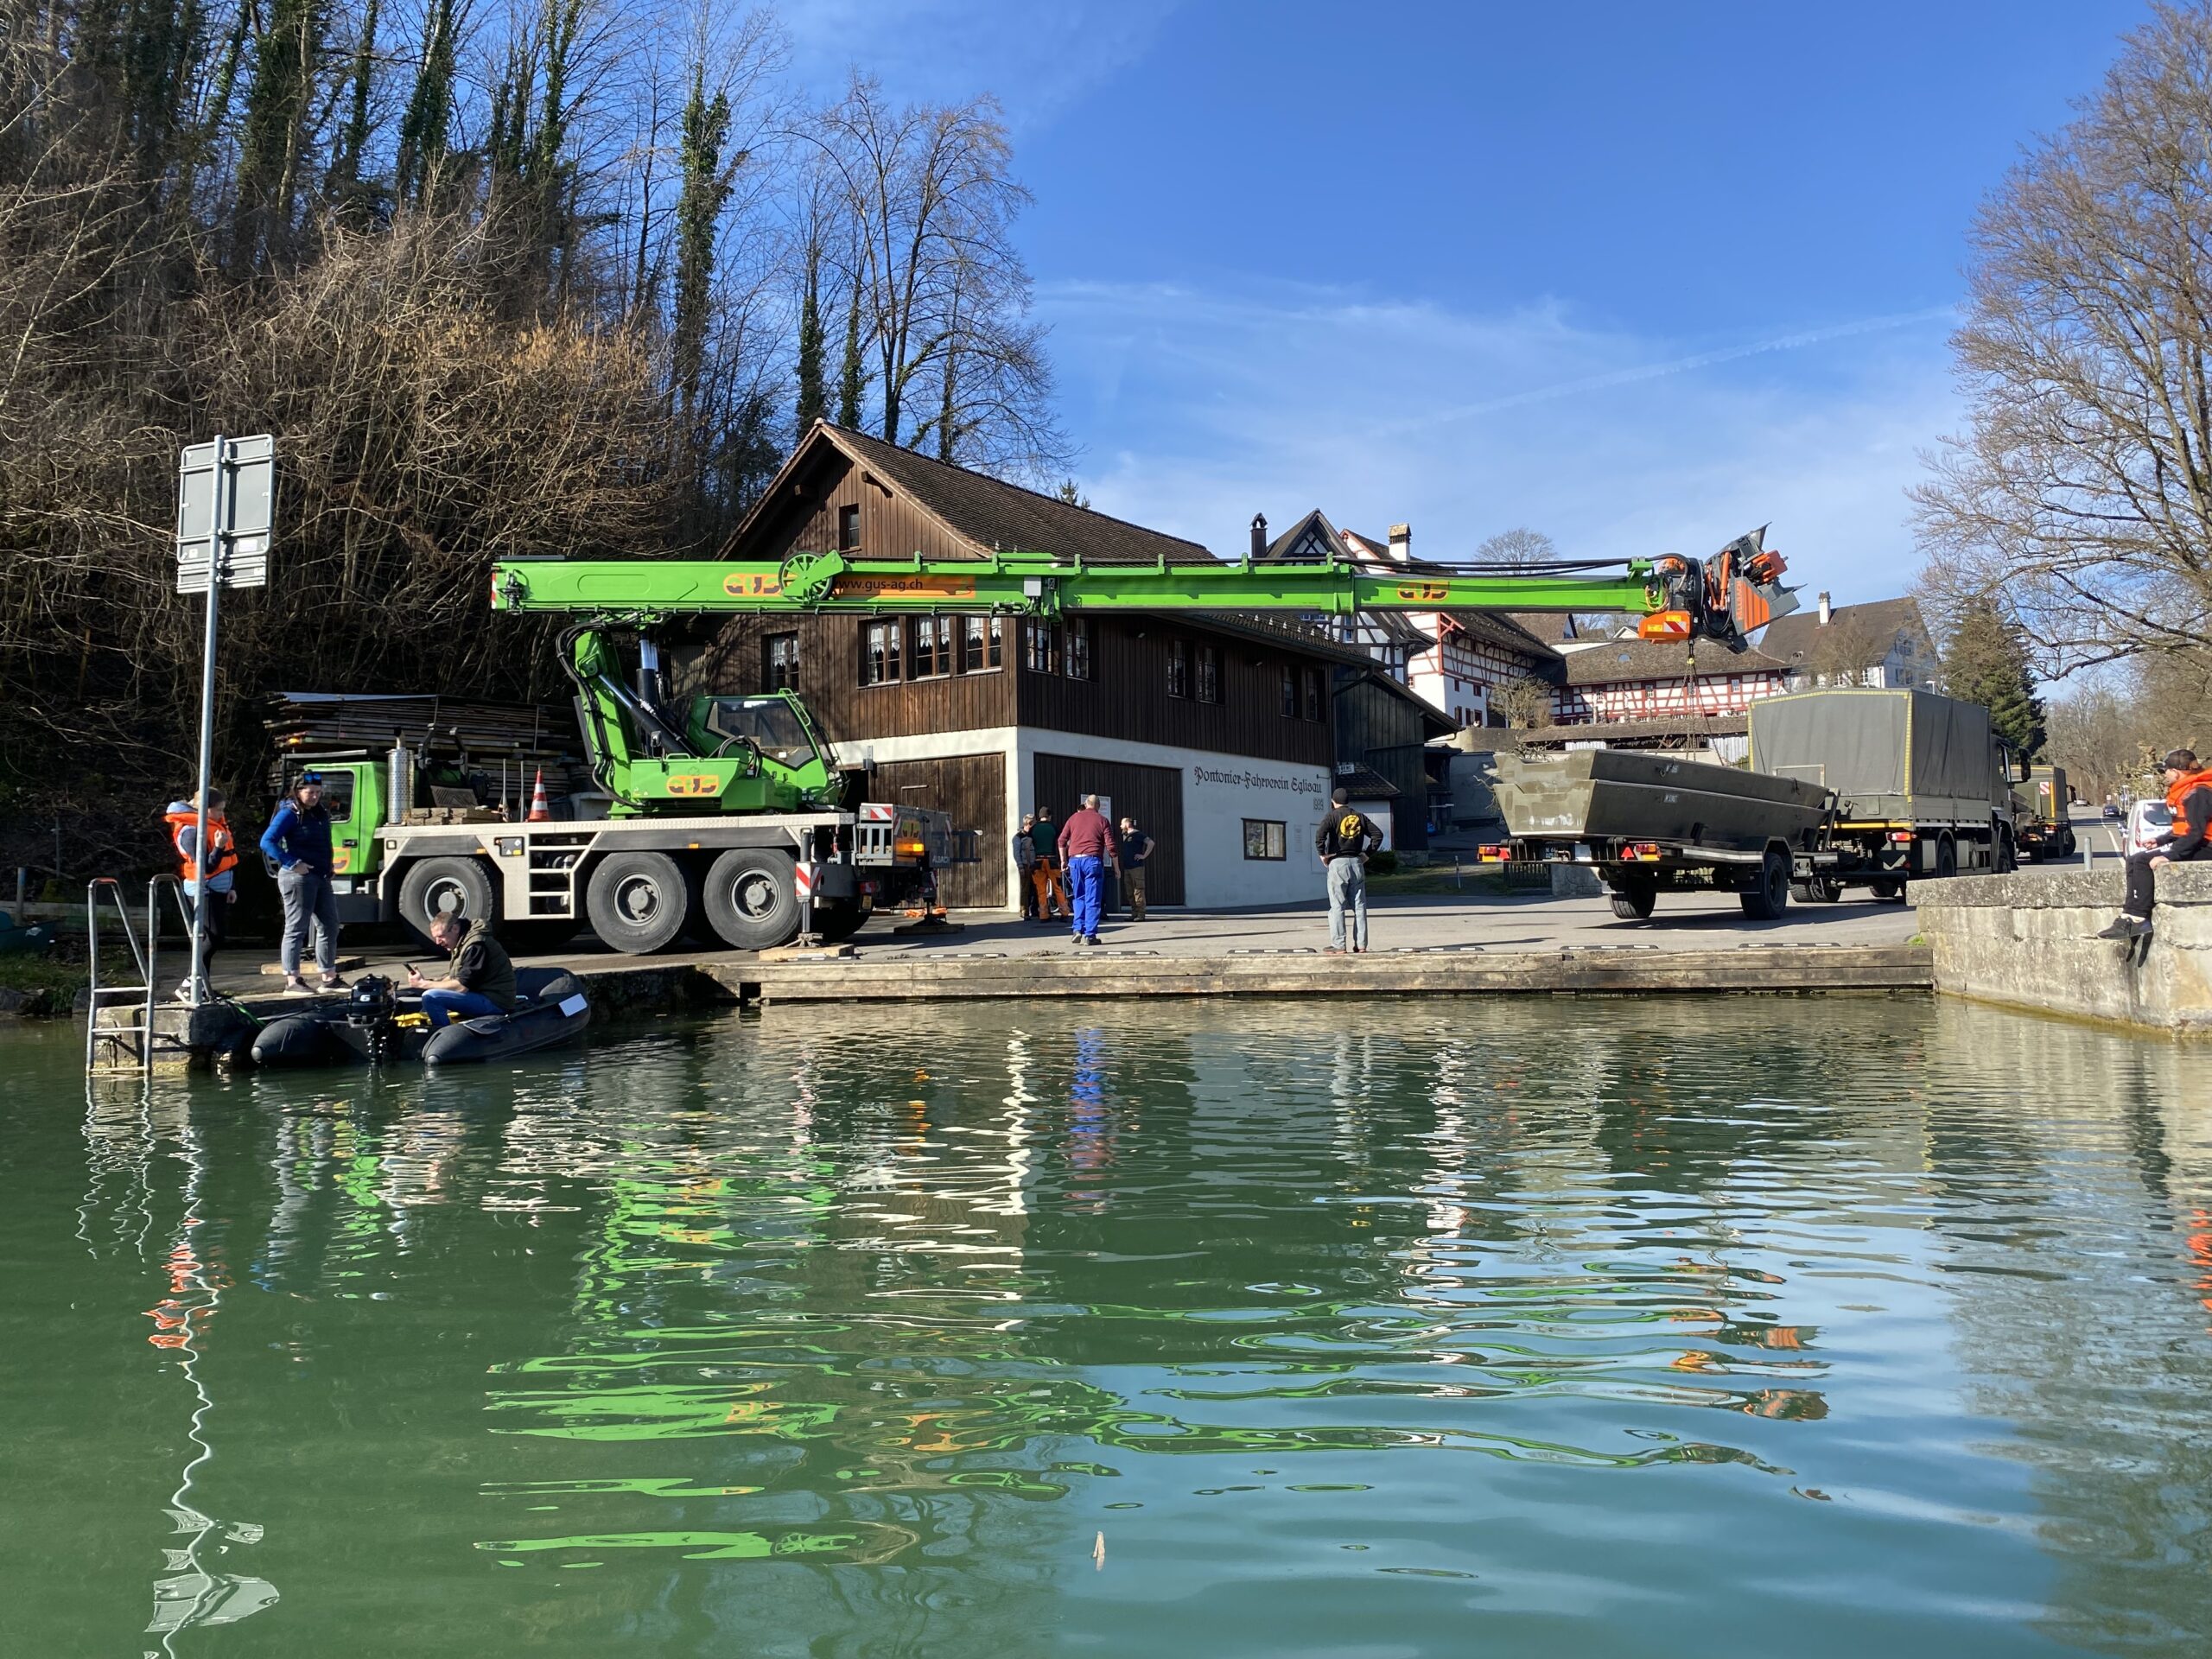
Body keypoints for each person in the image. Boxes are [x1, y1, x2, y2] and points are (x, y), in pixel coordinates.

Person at [2096, 748, 2212, 939]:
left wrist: (2169, 856)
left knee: (2143, 861)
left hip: (2207, 847)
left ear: (2177, 771)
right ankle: (2129, 914)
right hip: (2200, 843)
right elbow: (2184, 828)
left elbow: (2196, 832)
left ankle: (2139, 918)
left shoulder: (2197, 793)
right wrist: (2161, 840)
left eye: (2166, 770)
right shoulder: (2189, 790)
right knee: (2134, 859)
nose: (2164, 775)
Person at [260, 772, 346, 995]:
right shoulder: (289, 813)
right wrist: (292, 862)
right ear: (298, 791)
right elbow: (267, 841)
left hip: (320, 876)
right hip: (298, 877)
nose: (315, 796)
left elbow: (323, 842)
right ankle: (292, 981)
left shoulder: (319, 812)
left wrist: (328, 865)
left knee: (329, 925)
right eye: (310, 792)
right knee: (296, 927)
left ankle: (329, 978)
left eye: (318, 792)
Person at [408, 911, 518, 1027]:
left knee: (431, 997)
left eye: (440, 936)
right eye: (435, 938)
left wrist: (423, 984)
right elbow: (457, 976)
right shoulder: (463, 940)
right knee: (429, 996)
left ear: (455, 929)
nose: (438, 942)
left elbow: (461, 987)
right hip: (484, 996)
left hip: (496, 1002)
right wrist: (428, 982)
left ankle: (441, 1033)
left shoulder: (475, 945)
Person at [163, 788, 238, 956]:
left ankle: (200, 972)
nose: (221, 814)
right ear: (205, 808)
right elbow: (206, 868)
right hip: (203, 888)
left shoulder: (214, 824)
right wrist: (218, 847)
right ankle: (194, 971)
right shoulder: (190, 832)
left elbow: (228, 861)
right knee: (213, 937)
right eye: (218, 810)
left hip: (220, 887)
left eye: (222, 810)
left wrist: (231, 887)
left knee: (214, 936)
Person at [1314, 787, 1384, 954]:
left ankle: (1339, 945)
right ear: (1348, 801)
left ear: (1333, 802)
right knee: (1359, 906)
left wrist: (1322, 855)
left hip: (1337, 862)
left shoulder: (1332, 816)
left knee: (1337, 905)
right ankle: (1361, 945)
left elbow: (1320, 835)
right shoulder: (1360, 816)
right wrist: (1367, 854)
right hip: (1356, 863)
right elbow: (1378, 835)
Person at [1058, 793, 1119, 946]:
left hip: (1074, 861)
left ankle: (1077, 930)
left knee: (1078, 896)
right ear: (1098, 806)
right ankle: (1090, 935)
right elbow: (1111, 846)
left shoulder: (1073, 818)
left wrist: (1063, 860)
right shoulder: (1102, 820)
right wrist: (1117, 867)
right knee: (1093, 898)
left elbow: (1061, 840)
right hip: (1092, 861)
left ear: (1085, 804)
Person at [1028, 805, 1067, 922]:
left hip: (1038, 862)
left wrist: (1029, 861)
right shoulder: (1053, 827)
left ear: (1040, 817)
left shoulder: (1033, 829)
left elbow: (1027, 845)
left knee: (1041, 890)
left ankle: (1044, 915)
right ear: (1049, 816)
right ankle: (1064, 913)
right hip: (1052, 861)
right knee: (1058, 888)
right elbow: (1061, 842)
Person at [1117, 816, 1155, 920]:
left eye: (1122, 823)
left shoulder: (1138, 834)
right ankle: (1134, 913)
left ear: (1127, 824)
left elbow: (1151, 843)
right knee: (1129, 891)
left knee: (1138, 890)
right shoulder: (1125, 836)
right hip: (1127, 867)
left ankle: (1141, 914)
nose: (1120, 826)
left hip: (1136, 867)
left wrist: (1144, 856)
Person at [1013, 813, 1039, 920]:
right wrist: (1020, 866)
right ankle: (1024, 911)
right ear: (1029, 823)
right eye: (1034, 823)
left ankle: (1035, 910)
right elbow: (1016, 853)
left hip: (1034, 865)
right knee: (1025, 889)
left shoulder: (1034, 836)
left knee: (1036, 888)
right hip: (1024, 865)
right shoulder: (1018, 837)